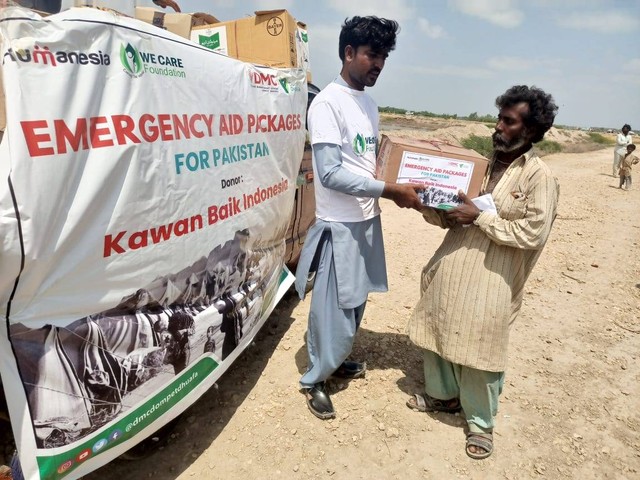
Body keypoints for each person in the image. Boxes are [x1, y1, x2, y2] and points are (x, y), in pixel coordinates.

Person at [405, 85, 560, 460]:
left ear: (532, 130)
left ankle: (480, 422)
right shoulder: (481, 164)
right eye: (499, 118)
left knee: (482, 344)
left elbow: (533, 233)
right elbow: (453, 216)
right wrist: (427, 204)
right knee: (438, 325)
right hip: (453, 260)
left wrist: (482, 217)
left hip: (494, 275)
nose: (498, 127)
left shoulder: (539, 177)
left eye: (509, 121)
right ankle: (442, 398)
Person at [294, 16, 423, 420]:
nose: (379, 64)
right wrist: (391, 191)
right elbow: (330, 173)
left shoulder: (368, 104)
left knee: (356, 301)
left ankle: (337, 358)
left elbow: (367, 163)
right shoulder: (328, 104)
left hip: (367, 219)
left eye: (383, 56)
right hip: (339, 225)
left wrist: (398, 181)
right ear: (348, 53)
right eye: (372, 54)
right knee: (332, 305)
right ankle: (316, 378)